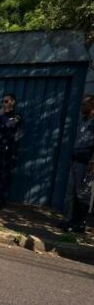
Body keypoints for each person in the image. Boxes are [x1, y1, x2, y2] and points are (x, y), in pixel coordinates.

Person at [60, 95, 94, 233]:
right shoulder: (84, 121)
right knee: (71, 192)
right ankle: (70, 220)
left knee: (82, 193)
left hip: (87, 162)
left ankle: (80, 224)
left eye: (84, 104)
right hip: (76, 160)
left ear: (92, 105)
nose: (81, 107)